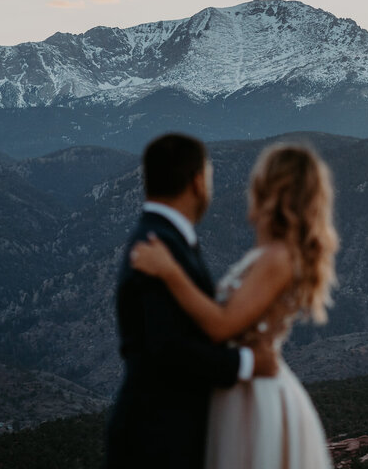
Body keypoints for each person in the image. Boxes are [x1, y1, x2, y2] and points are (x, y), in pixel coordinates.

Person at [130, 142, 339, 469]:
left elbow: (221, 325)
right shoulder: (275, 253)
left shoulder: (277, 258)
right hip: (243, 389)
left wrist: (170, 272)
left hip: (255, 397)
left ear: (271, 189)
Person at [106, 133, 279, 469]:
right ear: (198, 182)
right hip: (156, 442)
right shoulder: (159, 247)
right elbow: (169, 348)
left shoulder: (162, 238)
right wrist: (247, 364)